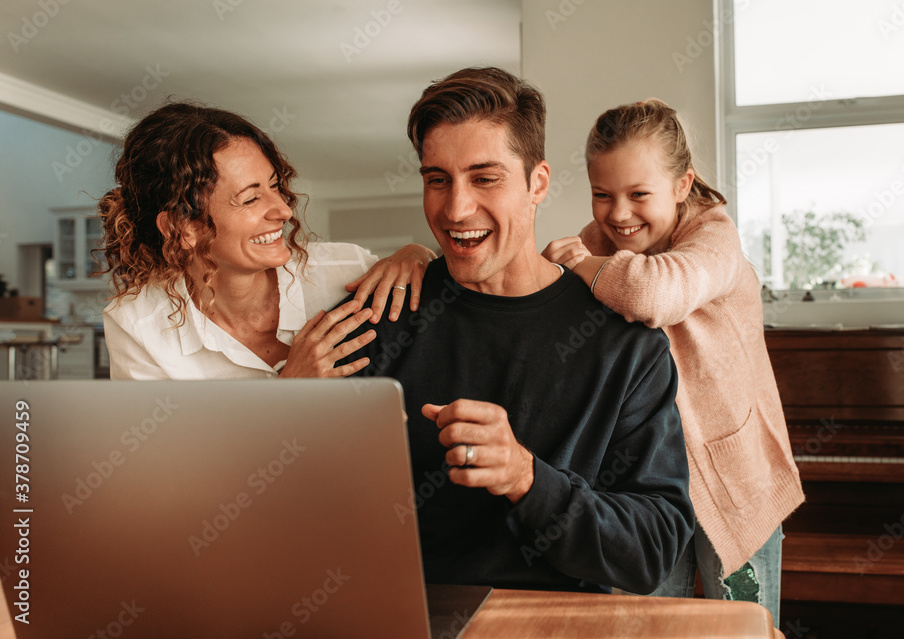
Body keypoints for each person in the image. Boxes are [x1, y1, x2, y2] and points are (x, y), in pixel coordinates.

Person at [338, 67, 694, 594]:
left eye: (485, 178)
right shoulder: (378, 315)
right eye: (437, 179)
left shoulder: (626, 346)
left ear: (538, 184)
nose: (456, 209)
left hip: (557, 626)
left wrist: (527, 478)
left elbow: (651, 550)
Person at [542, 98, 804, 624]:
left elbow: (653, 295)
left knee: (742, 629)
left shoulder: (715, 238)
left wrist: (580, 264)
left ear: (682, 185)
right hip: (645, 483)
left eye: (639, 194)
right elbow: (532, 281)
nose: (618, 214)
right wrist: (416, 256)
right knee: (652, 629)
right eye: (602, 194)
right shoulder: (600, 244)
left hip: (734, 484)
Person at [100, 102, 435, 380]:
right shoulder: (137, 325)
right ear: (182, 228)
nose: (283, 211)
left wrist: (420, 256)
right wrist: (288, 390)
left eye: (275, 186)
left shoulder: (350, 272)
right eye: (250, 199)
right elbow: (166, 457)